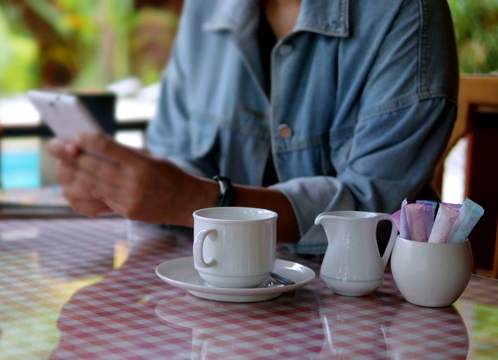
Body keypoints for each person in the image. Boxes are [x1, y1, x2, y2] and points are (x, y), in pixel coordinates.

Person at [47, 0, 459, 254]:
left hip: (367, 307)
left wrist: (193, 198)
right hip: (215, 287)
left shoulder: (406, 10)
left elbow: (369, 207)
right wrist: (127, 188)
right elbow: (176, 148)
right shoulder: (206, 9)